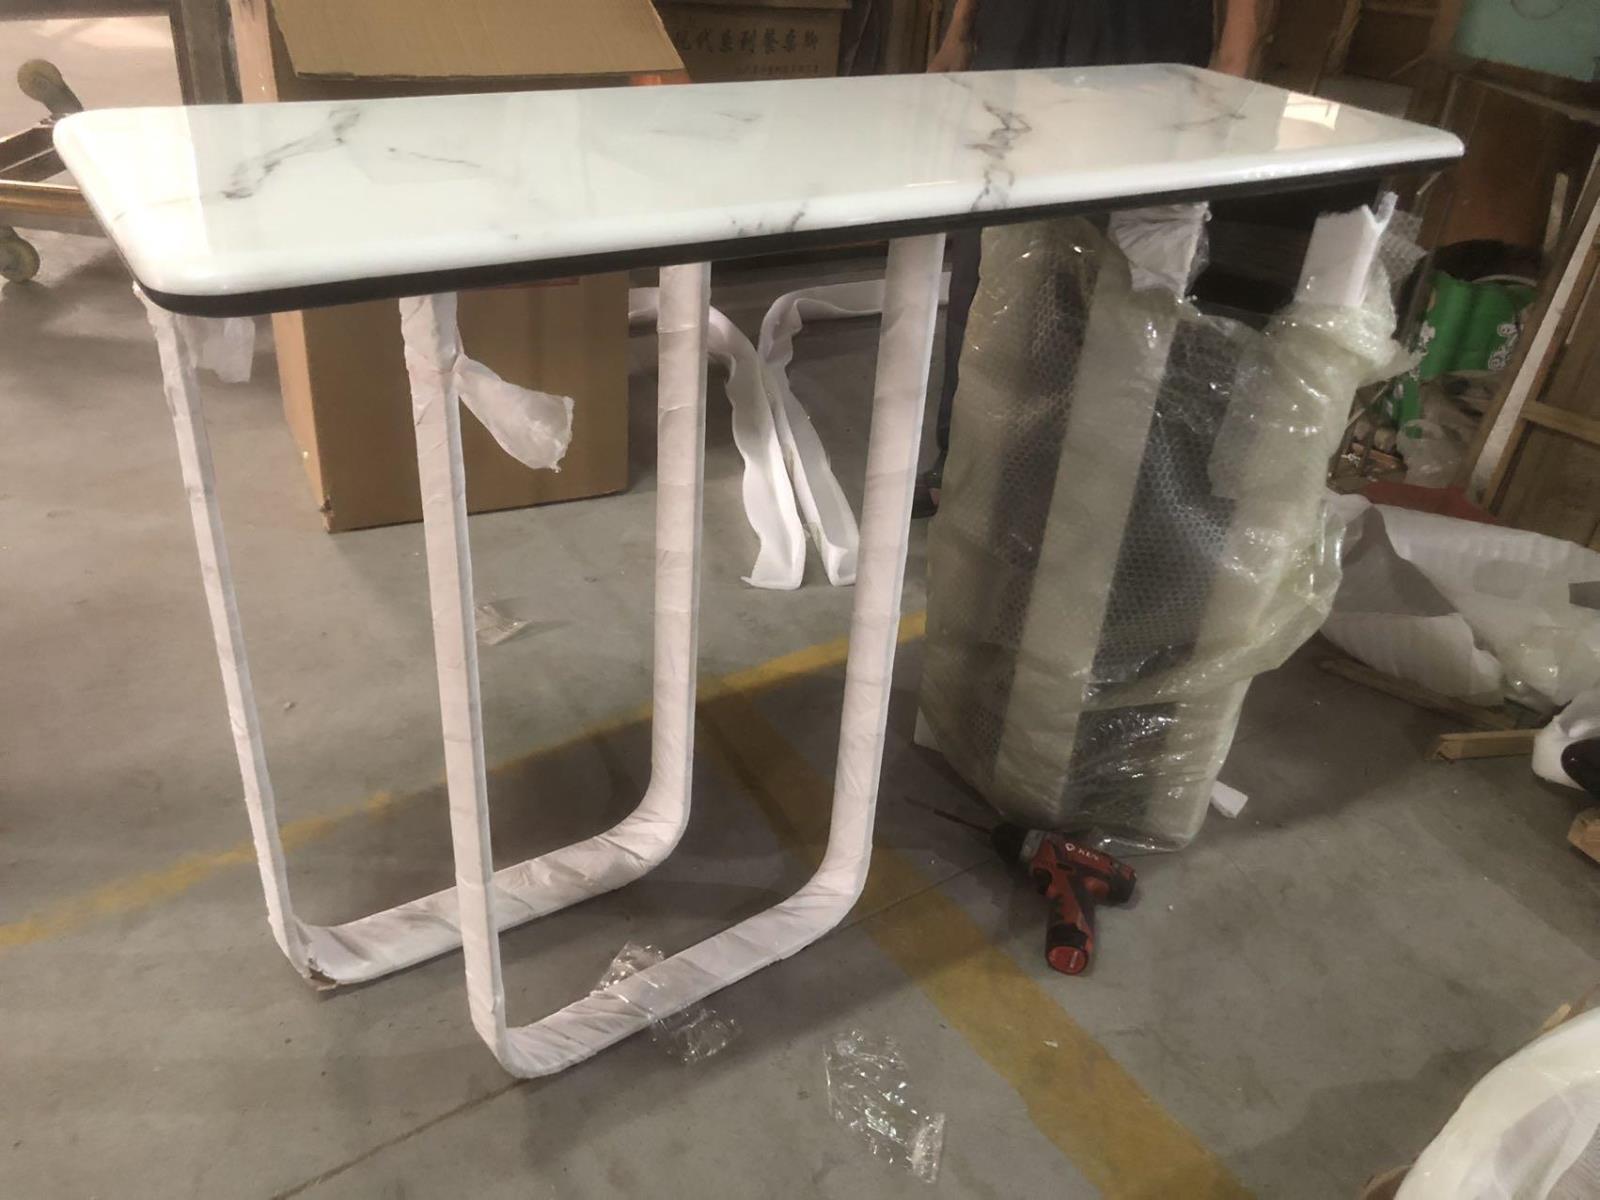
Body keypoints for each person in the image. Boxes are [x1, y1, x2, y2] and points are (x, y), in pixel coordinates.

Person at [913, 0, 1262, 517]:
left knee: (1124, 277)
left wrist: (1234, 50)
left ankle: (1086, 487)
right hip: (1020, 30)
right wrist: (958, 31)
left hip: (1142, 38)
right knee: (985, 266)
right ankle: (965, 461)